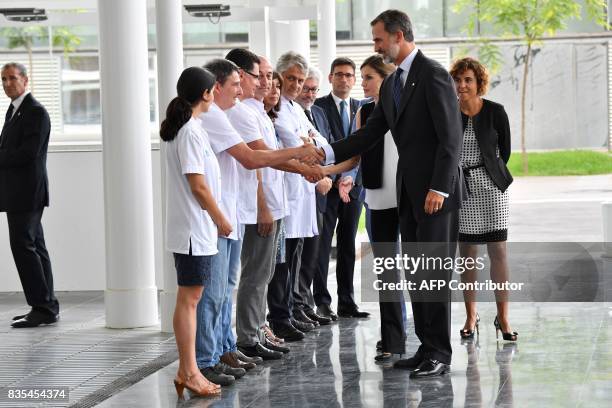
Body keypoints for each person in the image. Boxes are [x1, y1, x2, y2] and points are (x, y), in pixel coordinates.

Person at [319, 9, 465, 378]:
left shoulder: (431, 75)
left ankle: (440, 354)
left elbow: (451, 138)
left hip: (435, 195)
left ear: (398, 36)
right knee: (417, 275)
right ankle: (425, 347)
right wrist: (327, 153)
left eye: (378, 39)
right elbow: (369, 133)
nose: (376, 46)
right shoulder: (395, 83)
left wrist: (438, 187)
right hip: (408, 193)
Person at [195, 58, 322, 385]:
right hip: (223, 216)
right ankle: (209, 357)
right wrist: (301, 157)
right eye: (242, 81)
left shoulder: (233, 113)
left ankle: (224, 348)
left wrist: (305, 160)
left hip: (232, 213)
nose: (263, 84)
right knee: (216, 292)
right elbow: (254, 159)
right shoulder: (218, 117)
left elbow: (260, 160)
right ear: (217, 87)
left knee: (227, 288)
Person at [160, 66, 225, 398]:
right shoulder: (190, 132)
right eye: (214, 89)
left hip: (192, 228)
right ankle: (188, 370)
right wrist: (221, 220)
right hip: (193, 228)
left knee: (191, 298)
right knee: (190, 299)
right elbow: (198, 186)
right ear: (206, 93)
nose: (215, 95)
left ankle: (189, 370)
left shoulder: (188, 128)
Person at [449, 57, 516, 342]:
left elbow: (505, 150)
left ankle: (503, 317)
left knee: (498, 252)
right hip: (460, 189)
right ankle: (471, 315)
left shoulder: (496, 112)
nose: (463, 85)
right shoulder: (448, 111)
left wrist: (488, 172)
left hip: (492, 189)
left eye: (468, 80)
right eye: (459, 79)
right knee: (467, 255)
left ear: (479, 84)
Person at [267, 51, 329, 342]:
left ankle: (289, 310)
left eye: (300, 80)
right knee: (280, 263)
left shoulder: (296, 108)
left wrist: (309, 142)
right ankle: (279, 316)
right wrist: (306, 143)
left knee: (293, 257)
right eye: (290, 78)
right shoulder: (277, 108)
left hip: (300, 191)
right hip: (287, 192)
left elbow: (320, 142)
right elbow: (296, 144)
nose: (295, 84)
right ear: (279, 77)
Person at [353, 55, 406, 361]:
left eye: (369, 77)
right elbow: (356, 151)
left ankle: (422, 337)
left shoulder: (408, 107)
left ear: (386, 78)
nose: (363, 83)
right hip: (377, 199)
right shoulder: (365, 110)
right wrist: (336, 174)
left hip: (408, 198)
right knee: (387, 271)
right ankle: (391, 339)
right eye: (362, 77)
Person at [0, 62, 59, 328]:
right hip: (19, 191)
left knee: (23, 246)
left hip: (27, 192)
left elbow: (28, 153)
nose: (7, 84)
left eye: (12, 78)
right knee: (35, 245)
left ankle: (41, 307)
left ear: (25, 80)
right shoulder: (14, 112)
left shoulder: (35, 112)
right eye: (3, 79)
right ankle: (47, 305)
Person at [314, 57, 369, 320]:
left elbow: (363, 148)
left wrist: (351, 177)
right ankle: (322, 302)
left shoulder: (362, 107)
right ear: (330, 78)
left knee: (348, 245)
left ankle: (347, 302)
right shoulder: (318, 107)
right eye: (339, 75)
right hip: (327, 187)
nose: (344, 79)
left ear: (354, 79)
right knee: (323, 246)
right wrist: (335, 177)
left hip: (354, 189)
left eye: (349, 75)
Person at [293, 67, 334, 327]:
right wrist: (320, 177)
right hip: (303, 191)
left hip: (320, 194)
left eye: (313, 89)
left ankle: (304, 303)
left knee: (312, 255)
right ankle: (295, 306)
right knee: (295, 257)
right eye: (305, 88)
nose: (309, 93)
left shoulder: (318, 113)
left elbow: (327, 146)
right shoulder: (287, 114)